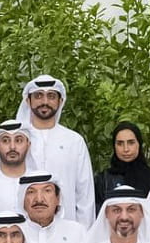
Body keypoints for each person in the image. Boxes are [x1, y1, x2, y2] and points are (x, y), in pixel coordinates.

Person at [15, 75, 95, 225]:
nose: (45, 102)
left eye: (51, 96)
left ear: (60, 101)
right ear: (28, 100)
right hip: (24, 229)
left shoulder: (74, 141)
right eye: (38, 96)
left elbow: (85, 195)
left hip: (66, 229)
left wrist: (83, 234)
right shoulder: (17, 141)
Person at [19, 174, 87, 243]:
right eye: (31, 192)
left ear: (58, 199)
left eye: (47, 191)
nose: (39, 199)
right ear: (22, 201)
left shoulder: (76, 232)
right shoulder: (14, 235)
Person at [94, 122, 150, 209]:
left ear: (139, 144)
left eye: (131, 143)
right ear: (114, 146)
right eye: (120, 144)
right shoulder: (103, 180)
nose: (126, 149)